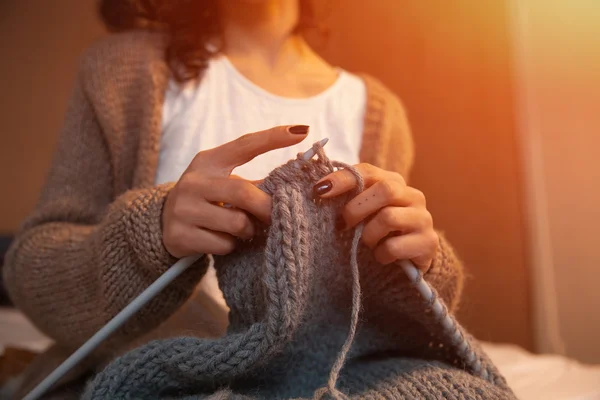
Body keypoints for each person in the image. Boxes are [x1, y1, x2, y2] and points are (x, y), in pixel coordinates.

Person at [3, 0, 465, 398]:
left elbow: (397, 326)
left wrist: (422, 264)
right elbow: (31, 276)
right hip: (158, 376)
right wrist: (153, 233)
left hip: (326, 380)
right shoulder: (123, 71)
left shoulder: (376, 109)